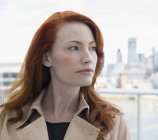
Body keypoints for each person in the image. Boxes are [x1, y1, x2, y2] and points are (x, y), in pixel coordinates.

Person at [0, 11, 130, 140]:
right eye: (74, 48)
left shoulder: (113, 121)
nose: (88, 58)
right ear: (46, 58)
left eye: (92, 48)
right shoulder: (6, 118)